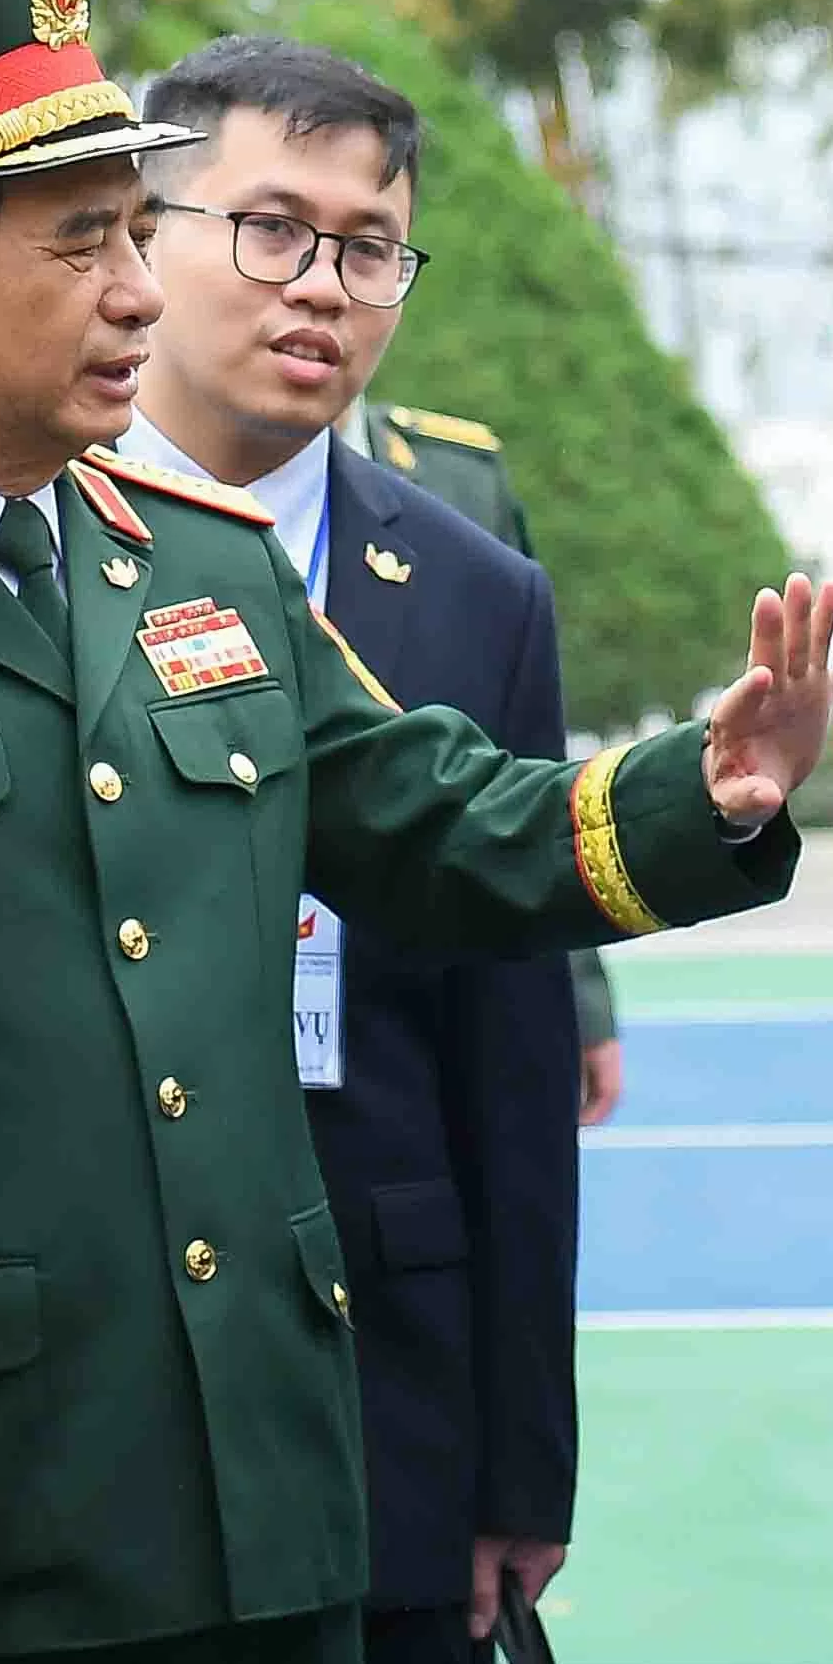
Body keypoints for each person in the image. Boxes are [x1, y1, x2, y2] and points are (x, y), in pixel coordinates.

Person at [0, 0, 833, 1664]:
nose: (140, 290)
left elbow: (432, 820)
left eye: (140, 234)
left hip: (264, 1484)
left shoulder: (201, 561)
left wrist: (709, 791)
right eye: (82, 243)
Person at [125, 35, 585, 1664]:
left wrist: (520, 1457)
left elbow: (513, 1046)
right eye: (270, 227)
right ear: (142, 228)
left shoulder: (471, 591)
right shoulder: (19, 539)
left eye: (369, 246)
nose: (321, 285)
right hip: (97, 1409)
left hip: (388, 1397)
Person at [345, 398, 625, 1126]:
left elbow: (525, 760)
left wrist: (581, 993)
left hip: (424, 997)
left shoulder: (458, 479)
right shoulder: (114, 463)